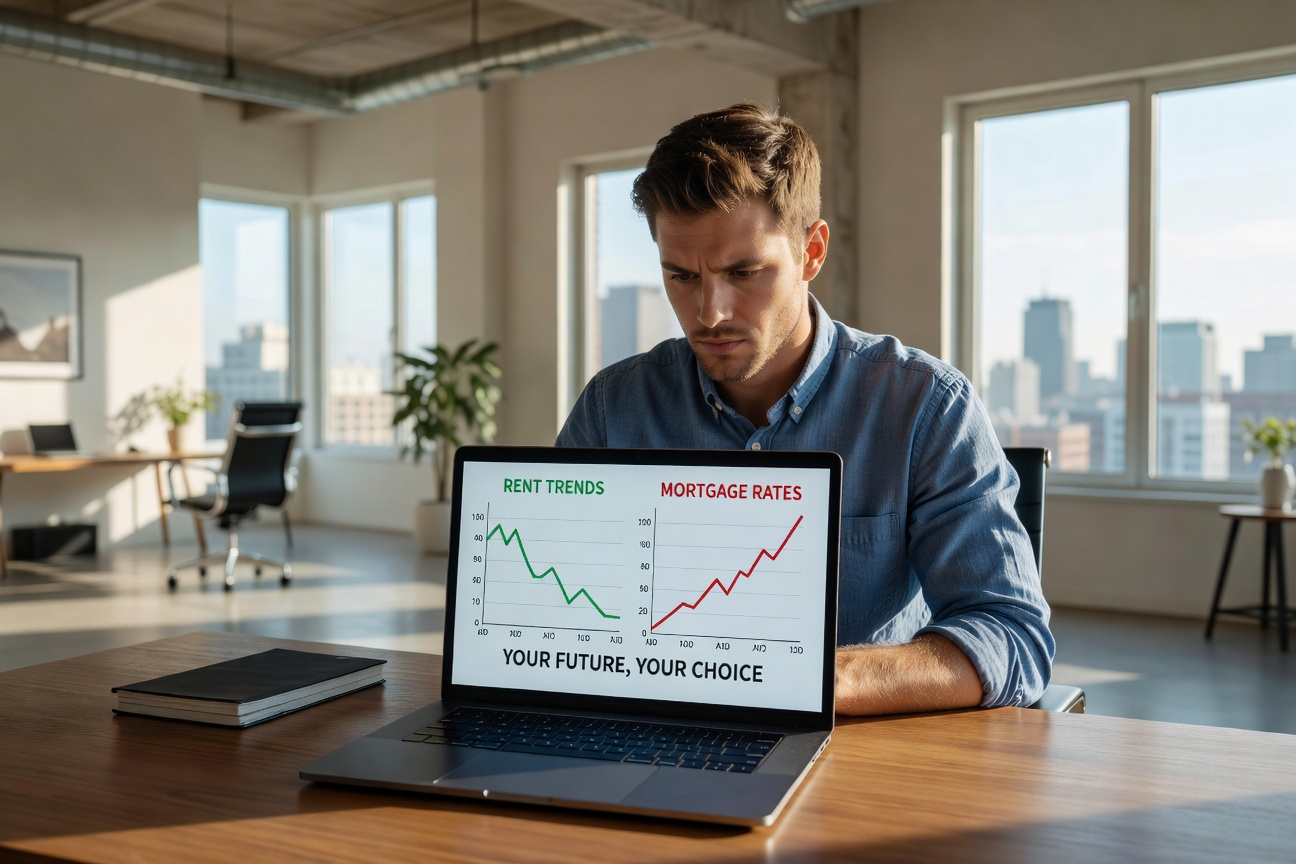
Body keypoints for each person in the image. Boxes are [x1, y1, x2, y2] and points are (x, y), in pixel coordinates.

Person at [556, 102, 1053, 715]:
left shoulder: (924, 405)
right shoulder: (614, 406)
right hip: (652, 730)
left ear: (812, 252)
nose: (709, 312)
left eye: (744, 272)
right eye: (682, 276)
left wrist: (816, 675)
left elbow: (1012, 635)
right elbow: (558, 608)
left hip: (859, 753)